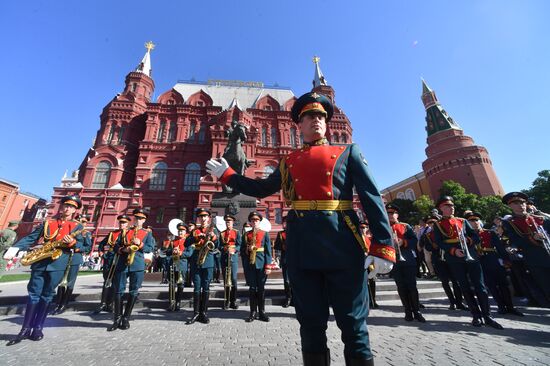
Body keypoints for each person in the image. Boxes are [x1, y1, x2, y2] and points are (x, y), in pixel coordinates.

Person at [206, 91, 395, 366]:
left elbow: (371, 197)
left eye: (321, 116)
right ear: (300, 124)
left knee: (353, 325)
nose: (317, 120)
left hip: (343, 243)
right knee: (310, 324)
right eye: (310, 116)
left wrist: (383, 245)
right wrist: (228, 175)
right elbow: (260, 189)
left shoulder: (347, 152)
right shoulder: (289, 161)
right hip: (302, 249)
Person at [5, 195, 86, 345]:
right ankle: (25, 329)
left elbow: (82, 244)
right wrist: (14, 248)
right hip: (41, 262)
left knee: (47, 295)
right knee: (33, 294)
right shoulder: (48, 223)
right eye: (66, 205)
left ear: (75, 210)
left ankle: (38, 327)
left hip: (58, 264)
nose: (68, 208)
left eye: (72, 207)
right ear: (61, 207)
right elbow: (32, 238)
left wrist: (73, 243)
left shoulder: (78, 227)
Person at [432, 196, 503, 329]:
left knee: (480, 287)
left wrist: (468, 243)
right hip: (454, 258)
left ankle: (487, 316)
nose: (451, 208)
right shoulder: (437, 225)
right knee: (465, 287)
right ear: (441, 208)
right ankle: (476, 315)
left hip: (471, 255)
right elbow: (439, 242)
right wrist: (453, 250)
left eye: (452, 205)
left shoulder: (463, 221)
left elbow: (475, 236)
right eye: (447, 206)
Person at [466, 212, 523, 316]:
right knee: (492, 286)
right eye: (472, 221)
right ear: (468, 224)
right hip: (480, 262)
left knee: (503, 284)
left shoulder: (490, 233)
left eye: (477, 220)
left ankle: (510, 307)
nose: (475, 222)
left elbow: (500, 247)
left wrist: (506, 259)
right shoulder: (468, 237)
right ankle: (501, 307)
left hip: (493, 259)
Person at [108, 208, 154, 331]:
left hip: (137, 264)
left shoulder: (147, 233)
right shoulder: (125, 231)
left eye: (141, 218)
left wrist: (140, 244)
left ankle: (126, 318)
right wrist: (123, 250)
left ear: (144, 220)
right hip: (122, 263)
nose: (138, 220)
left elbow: (150, 248)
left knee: (134, 291)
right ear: (134, 218)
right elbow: (115, 245)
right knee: (118, 291)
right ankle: (116, 319)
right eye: (137, 218)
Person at [501, 192, 550, 304]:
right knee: (547, 287)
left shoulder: (540, 218)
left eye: (523, 202)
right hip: (535, 260)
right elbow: (514, 240)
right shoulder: (509, 223)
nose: (521, 205)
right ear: (510, 206)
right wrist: (533, 237)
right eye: (516, 203)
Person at [386, 204, 425, 322]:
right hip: (394, 260)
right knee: (401, 287)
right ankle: (407, 311)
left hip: (407, 259)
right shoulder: (384, 227)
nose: (391, 215)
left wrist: (403, 242)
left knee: (412, 286)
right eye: (388, 213)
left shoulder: (405, 226)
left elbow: (414, 240)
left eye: (393, 213)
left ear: (397, 214)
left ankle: (417, 311)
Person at [184, 208, 221, 324]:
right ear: (199, 218)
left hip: (208, 261)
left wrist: (214, 237)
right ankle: (196, 313)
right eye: (201, 217)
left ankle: (204, 313)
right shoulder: (195, 230)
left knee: (206, 287)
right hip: (196, 260)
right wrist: (196, 238)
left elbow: (218, 245)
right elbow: (186, 243)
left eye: (205, 216)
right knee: (196, 287)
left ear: (209, 218)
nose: (203, 218)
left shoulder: (214, 230)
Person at [421, 215, 465, 311]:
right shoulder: (427, 235)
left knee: (455, 281)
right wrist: (433, 246)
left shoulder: (444, 231)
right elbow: (427, 247)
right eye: (430, 223)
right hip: (438, 259)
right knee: (445, 282)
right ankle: (452, 302)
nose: (432, 225)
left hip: (450, 257)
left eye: (433, 222)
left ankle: (459, 302)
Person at [50, 214, 92, 315]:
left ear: (86, 223)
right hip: (62, 257)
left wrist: (78, 248)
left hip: (75, 259)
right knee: (60, 281)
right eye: (78, 219)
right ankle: (57, 303)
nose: (80, 222)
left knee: (69, 282)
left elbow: (87, 248)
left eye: (83, 221)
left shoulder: (85, 233)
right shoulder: (68, 230)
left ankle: (64, 304)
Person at [94, 214, 130, 314]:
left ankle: (111, 304)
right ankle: (103, 304)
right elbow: (102, 244)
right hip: (109, 259)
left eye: (124, 222)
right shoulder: (112, 234)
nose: (122, 224)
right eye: (121, 222)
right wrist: (101, 253)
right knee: (106, 282)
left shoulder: (129, 234)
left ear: (127, 224)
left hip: (120, 260)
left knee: (116, 283)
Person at [241, 211, 273, 322]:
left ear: (259, 221)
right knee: (252, 288)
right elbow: (241, 250)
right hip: (250, 265)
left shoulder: (265, 233)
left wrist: (268, 266)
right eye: (253, 220)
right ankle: (253, 312)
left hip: (261, 264)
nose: (255, 222)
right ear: (250, 222)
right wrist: (247, 249)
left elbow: (269, 251)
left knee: (261, 289)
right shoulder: (246, 235)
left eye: (257, 220)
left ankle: (262, 312)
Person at [220, 214, 241, 310]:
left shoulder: (237, 232)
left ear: (233, 222)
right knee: (226, 280)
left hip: (233, 258)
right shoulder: (222, 233)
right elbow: (219, 246)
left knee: (233, 280)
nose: (228, 223)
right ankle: (226, 301)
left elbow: (240, 245)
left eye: (230, 221)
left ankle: (233, 301)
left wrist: (234, 250)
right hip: (224, 257)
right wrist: (224, 249)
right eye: (227, 222)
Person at [167, 222, 188, 311]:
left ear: (185, 231)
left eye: (182, 230)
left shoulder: (187, 241)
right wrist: (173, 251)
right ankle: (171, 302)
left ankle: (178, 302)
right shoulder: (173, 241)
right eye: (179, 230)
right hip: (173, 265)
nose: (180, 232)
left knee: (180, 284)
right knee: (171, 284)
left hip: (182, 265)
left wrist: (180, 253)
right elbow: (167, 252)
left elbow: (189, 253)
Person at [359, 221, 378, 309]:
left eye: (365, 227)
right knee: (363, 284)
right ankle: (364, 302)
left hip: (370, 263)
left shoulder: (369, 238)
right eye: (362, 227)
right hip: (361, 263)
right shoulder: (357, 238)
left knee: (372, 283)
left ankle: (373, 300)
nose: (364, 229)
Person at [274, 215, 292, 308]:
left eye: (286, 222)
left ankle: (296, 299)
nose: (285, 224)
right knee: (287, 281)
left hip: (295, 260)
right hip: (285, 260)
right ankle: (288, 298)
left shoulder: (296, 233)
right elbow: (276, 246)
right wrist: (282, 246)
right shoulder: (281, 234)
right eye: (284, 222)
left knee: (296, 280)